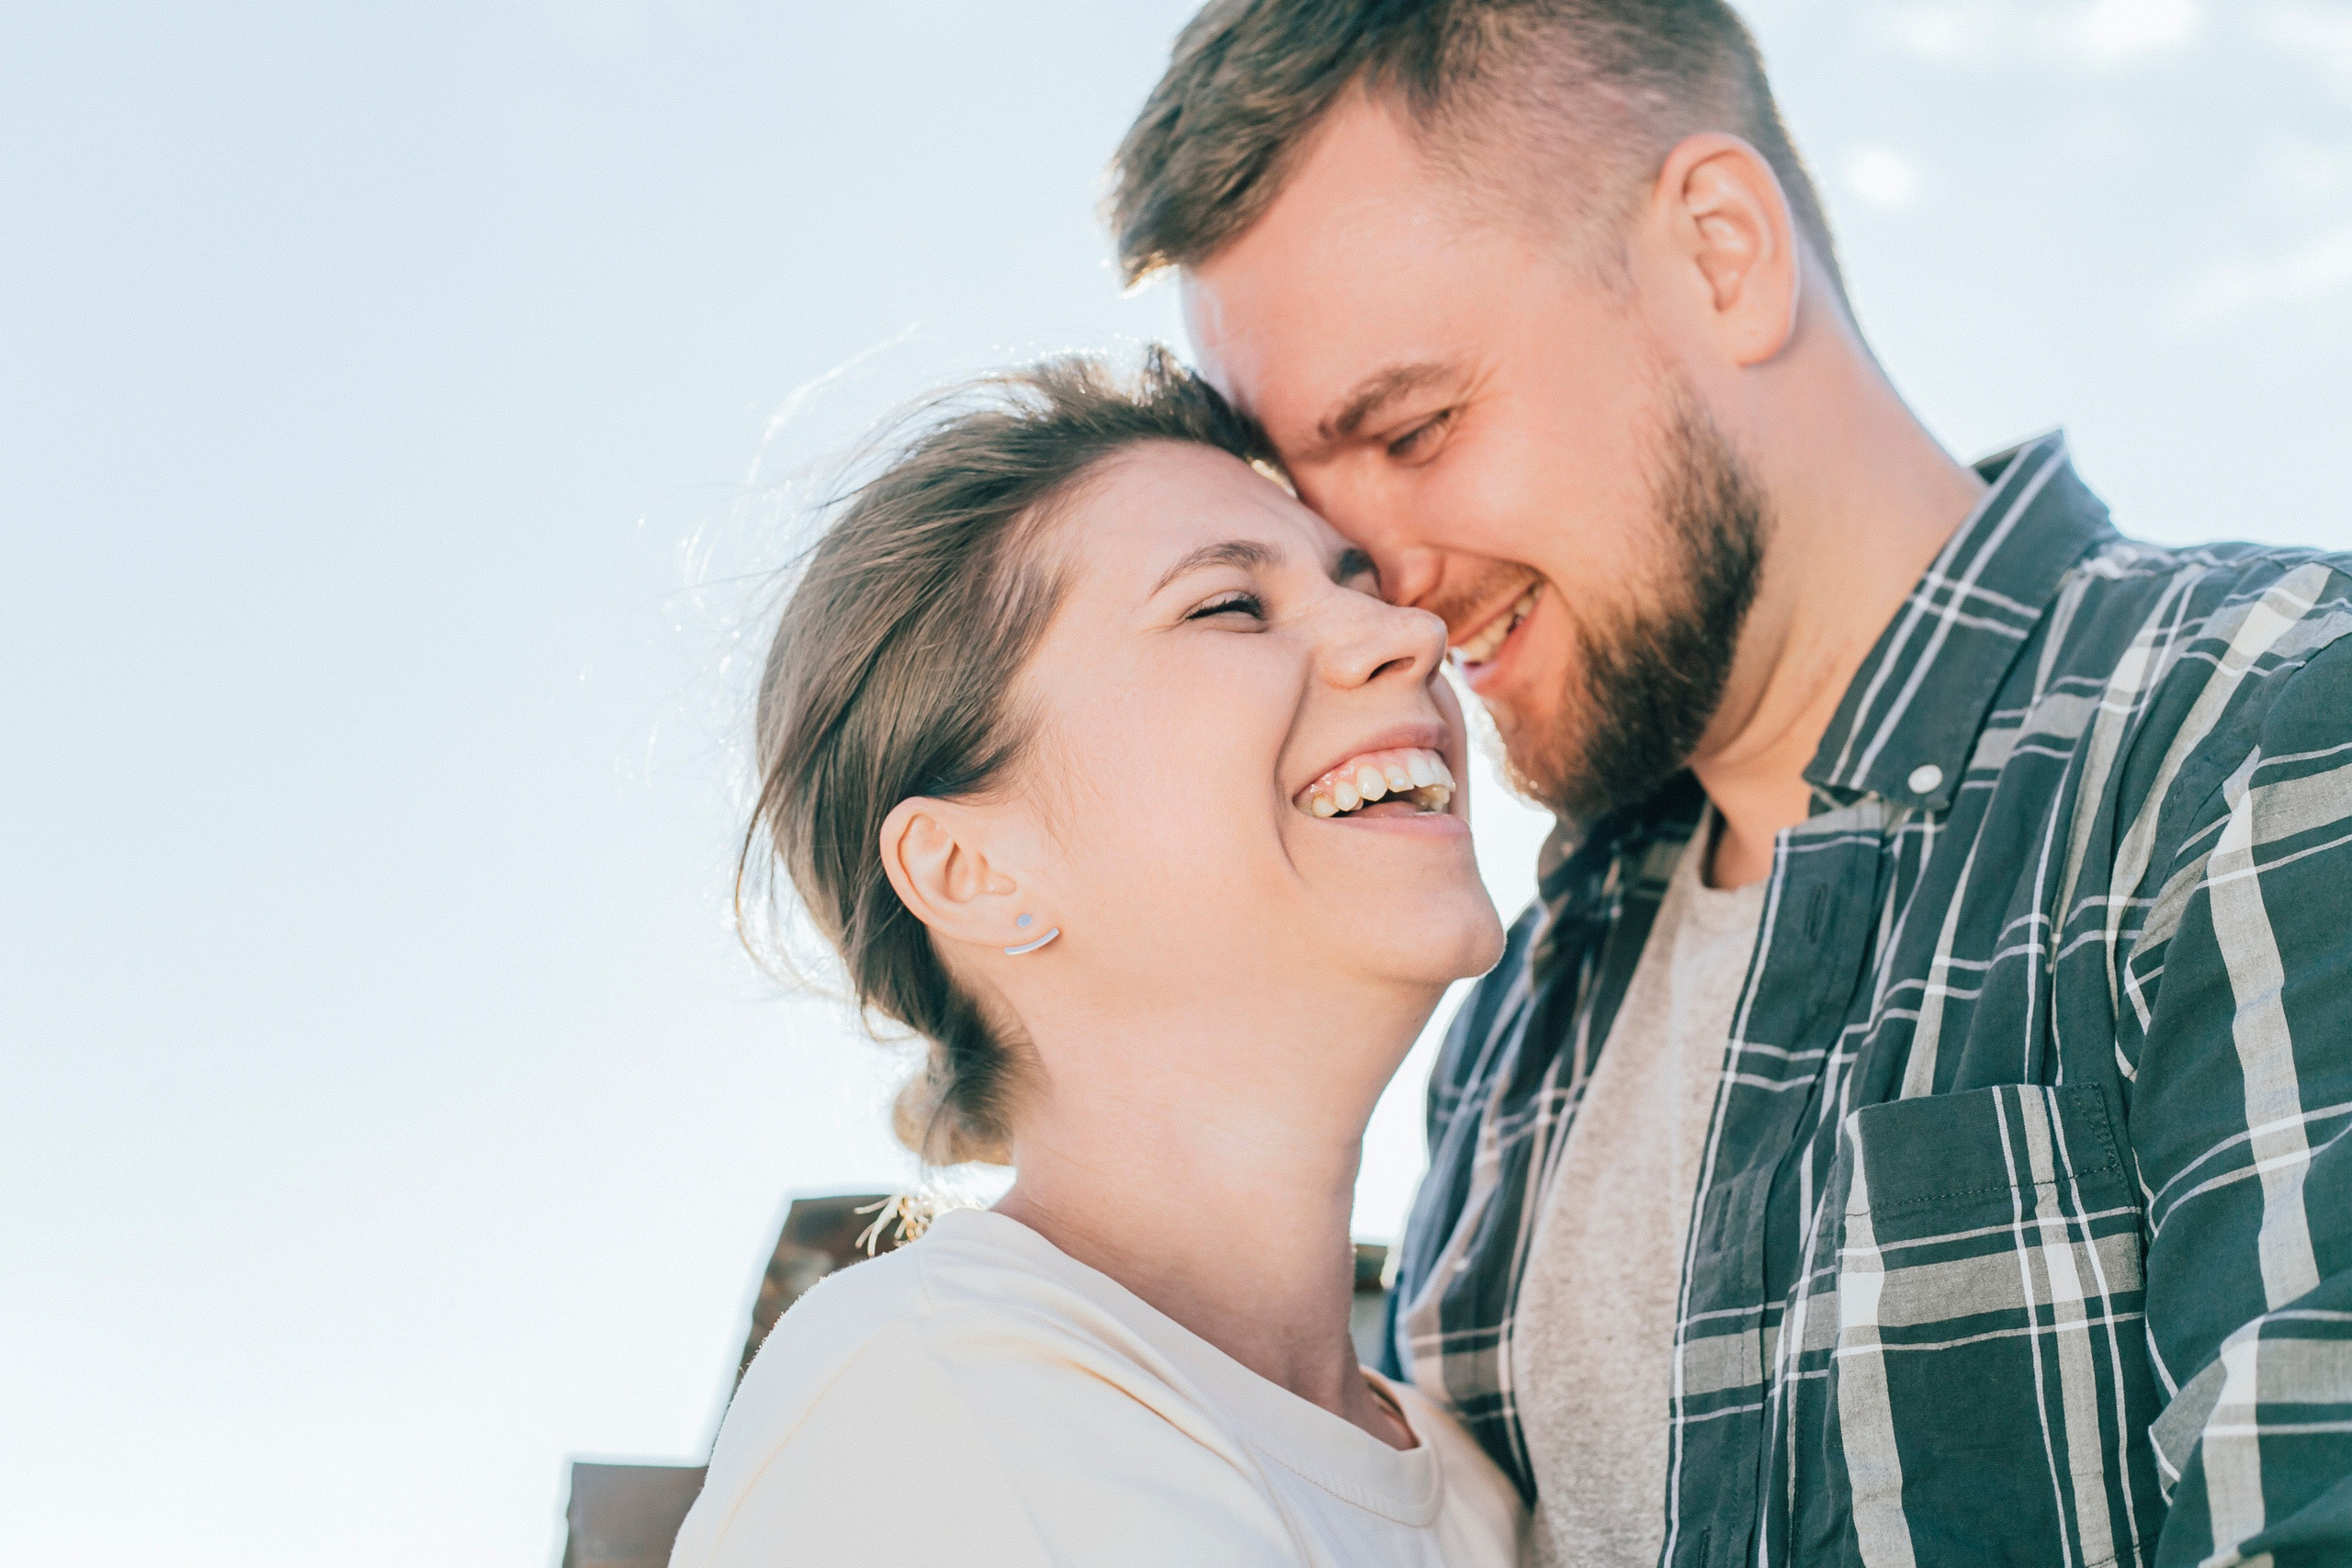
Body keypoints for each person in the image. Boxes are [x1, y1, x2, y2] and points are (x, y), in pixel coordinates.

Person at [1109, 4, 2352, 1567]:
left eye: (1415, 429)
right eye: (1319, 509)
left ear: (1720, 252)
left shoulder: (2272, 729)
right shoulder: (1521, 1005)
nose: (1393, 601)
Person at [669, 353, 1526, 1567]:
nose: (1411, 632)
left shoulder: (1483, 1497)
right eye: (1228, 605)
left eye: (1364, 583)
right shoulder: (928, 1409)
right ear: (976, 873)